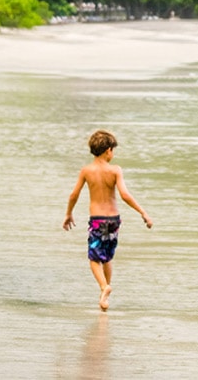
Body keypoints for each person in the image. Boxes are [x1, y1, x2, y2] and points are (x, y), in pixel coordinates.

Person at [63, 130, 153, 311]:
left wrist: (69, 213)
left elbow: (74, 194)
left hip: (97, 221)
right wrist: (143, 212)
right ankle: (105, 296)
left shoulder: (86, 171)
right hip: (113, 220)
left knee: (94, 258)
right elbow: (125, 195)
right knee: (107, 257)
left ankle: (104, 287)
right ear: (108, 150)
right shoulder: (115, 170)